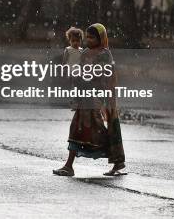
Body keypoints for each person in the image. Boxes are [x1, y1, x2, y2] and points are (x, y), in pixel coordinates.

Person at [53, 23, 126, 177]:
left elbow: (103, 76)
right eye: (87, 36)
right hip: (84, 95)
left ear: (101, 38)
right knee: (80, 128)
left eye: (92, 37)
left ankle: (115, 156)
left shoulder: (104, 54)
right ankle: (69, 165)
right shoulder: (85, 52)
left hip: (96, 97)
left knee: (92, 129)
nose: (88, 39)